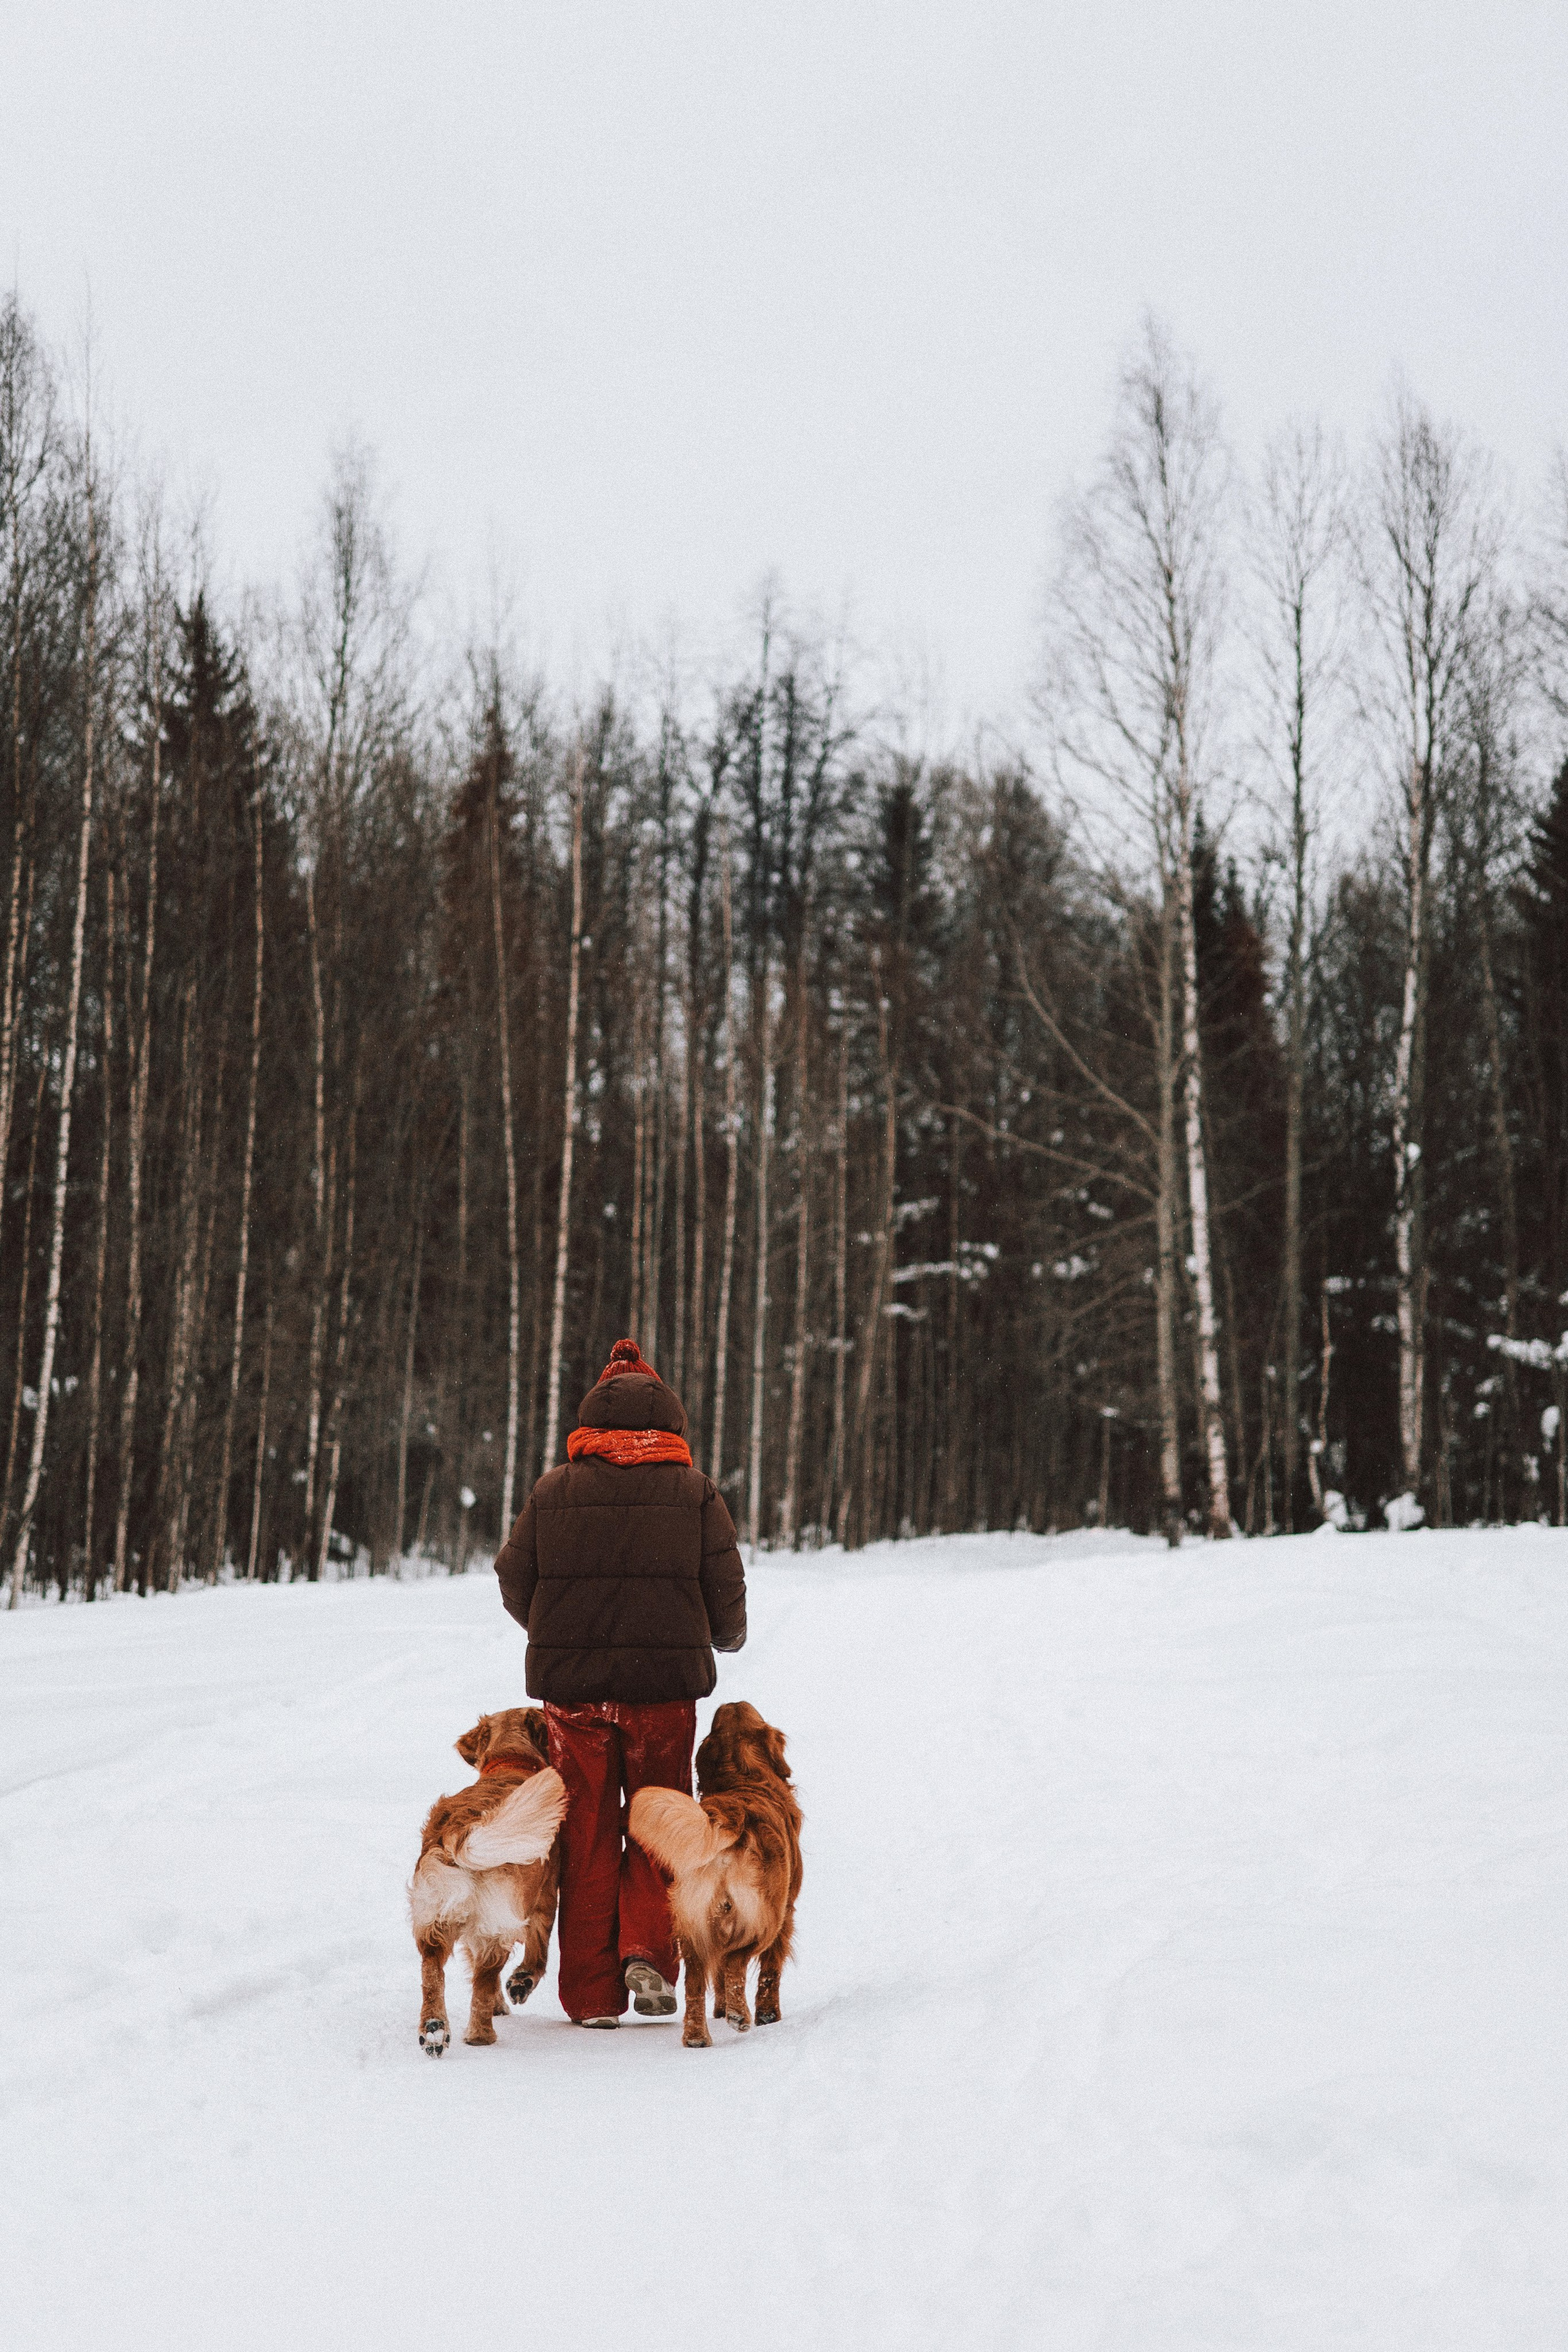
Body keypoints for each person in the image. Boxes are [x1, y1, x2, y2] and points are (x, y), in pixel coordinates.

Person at [494, 1337, 747, 2026]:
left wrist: (552, 1631)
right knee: (662, 1825)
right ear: (667, 1418)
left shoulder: (553, 1489)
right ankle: (647, 1952)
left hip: (574, 1698)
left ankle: (592, 1995)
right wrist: (725, 1635)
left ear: (593, 1420)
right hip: (663, 1691)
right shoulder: (693, 1491)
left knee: (586, 1835)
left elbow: (512, 1578)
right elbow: (725, 1582)